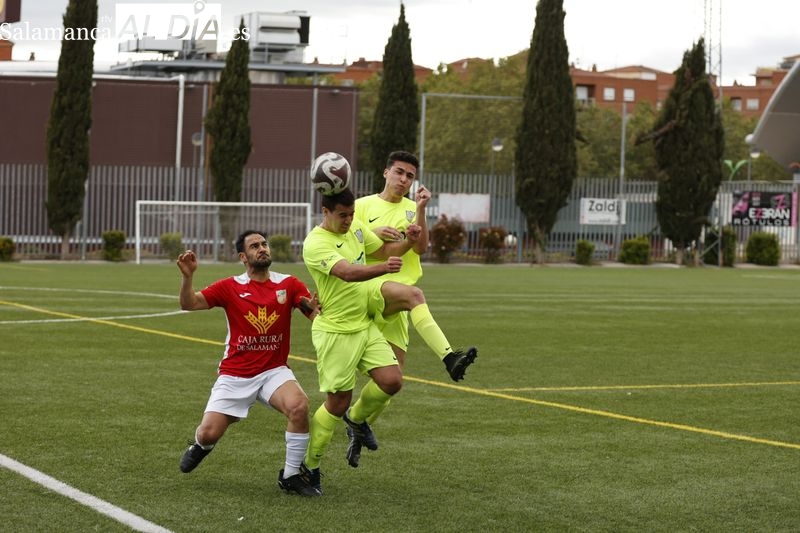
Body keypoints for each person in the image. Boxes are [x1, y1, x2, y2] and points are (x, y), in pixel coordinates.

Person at [301, 188, 477, 490]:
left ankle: (359, 420)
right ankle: (309, 466)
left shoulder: (355, 226)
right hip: (336, 331)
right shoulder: (315, 243)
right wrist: (384, 268)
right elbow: (346, 272)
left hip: (363, 324)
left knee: (393, 379)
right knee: (337, 402)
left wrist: (407, 240)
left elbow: (383, 251)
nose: (349, 220)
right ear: (325, 212)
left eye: (351, 214)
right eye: (342, 215)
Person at [176, 230, 321, 497]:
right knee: (209, 433)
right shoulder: (230, 287)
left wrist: (315, 308)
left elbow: (313, 313)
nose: (262, 248)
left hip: (273, 371)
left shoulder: (288, 284)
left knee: (299, 406)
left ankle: (290, 475)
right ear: (243, 257)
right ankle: (201, 445)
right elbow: (189, 303)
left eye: (264, 244)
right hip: (235, 374)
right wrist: (188, 277)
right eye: (255, 246)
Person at [355, 150, 477, 380]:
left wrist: (421, 209)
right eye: (399, 172)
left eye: (410, 176)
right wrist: (372, 232)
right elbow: (344, 243)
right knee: (416, 296)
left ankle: (358, 416)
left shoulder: (413, 209)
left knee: (394, 377)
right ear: (386, 172)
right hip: (369, 286)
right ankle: (449, 357)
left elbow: (421, 248)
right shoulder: (361, 206)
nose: (404, 179)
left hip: (398, 296)